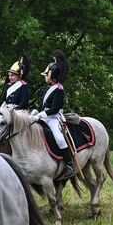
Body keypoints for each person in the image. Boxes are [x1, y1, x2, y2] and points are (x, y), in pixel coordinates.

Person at [38, 50, 77, 181]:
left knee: (59, 138)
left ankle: (69, 163)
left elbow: (54, 108)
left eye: (46, 75)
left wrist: (42, 113)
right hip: (44, 117)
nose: (44, 77)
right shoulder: (48, 88)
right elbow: (42, 105)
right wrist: (35, 112)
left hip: (54, 118)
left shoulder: (59, 89)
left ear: (51, 75)